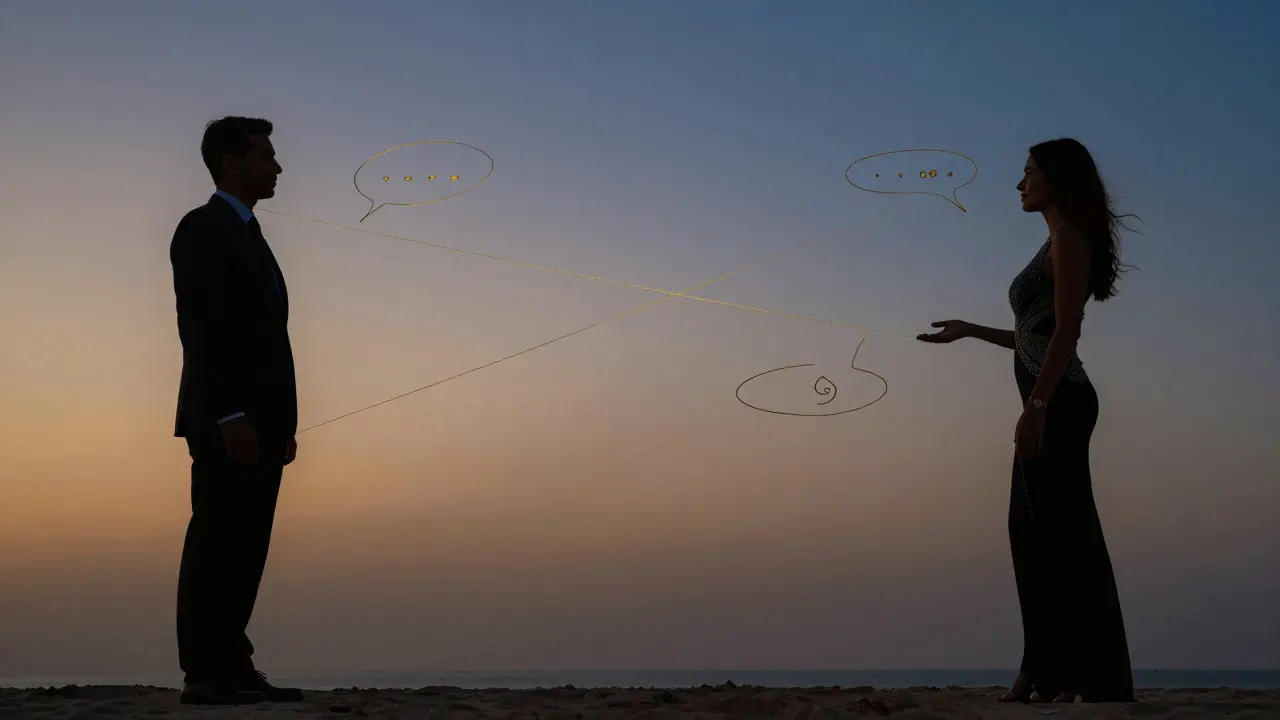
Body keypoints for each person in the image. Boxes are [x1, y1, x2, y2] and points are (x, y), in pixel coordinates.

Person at [917, 138, 1136, 704]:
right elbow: (1033, 337)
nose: (1019, 183)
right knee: (1035, 533)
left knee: (1056, 534)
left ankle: (1068, 673)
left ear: (1056, 181)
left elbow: (1067, 332)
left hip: (1060, 403)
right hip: (1050, 398)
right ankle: (1046, 668)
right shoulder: (1053, 243)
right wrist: (970, 330)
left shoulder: (1067, 239)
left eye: (1029, 172)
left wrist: (1035, 407)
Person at [170, 116, 303, 705]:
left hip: (262, 424)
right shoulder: (203, 228)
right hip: (229, 422)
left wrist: (284, 425)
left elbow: (270, 338)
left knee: (248, 545)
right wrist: (228, 415)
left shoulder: (251, 234)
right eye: (265, 154)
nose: (276, 166)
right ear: (232, 163)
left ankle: (234, 665)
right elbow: (202, 327)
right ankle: (206, 673)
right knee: (218, 540)